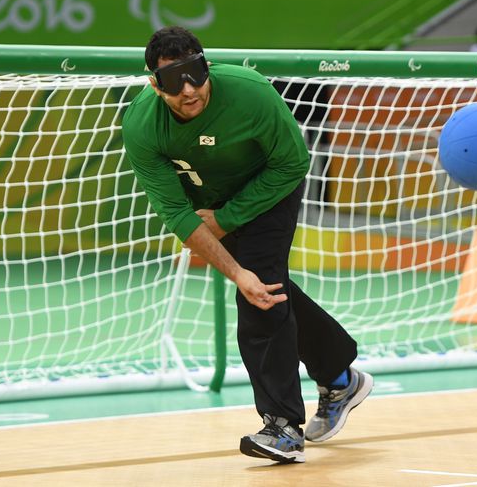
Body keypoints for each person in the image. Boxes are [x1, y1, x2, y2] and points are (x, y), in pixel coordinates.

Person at [122, 26, 373, 464]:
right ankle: (338, 375)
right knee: (265, 287)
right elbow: (177, 215)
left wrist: (229, 218)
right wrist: (237, 272)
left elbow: (293, 162)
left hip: (269, 188)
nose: (188, 89)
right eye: (172, 81)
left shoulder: (250, 93)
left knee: (259, 298)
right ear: (153, 85)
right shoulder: (143, 126)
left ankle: (283, 427)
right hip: (210, 202)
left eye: (195, 73)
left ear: (207, 65)